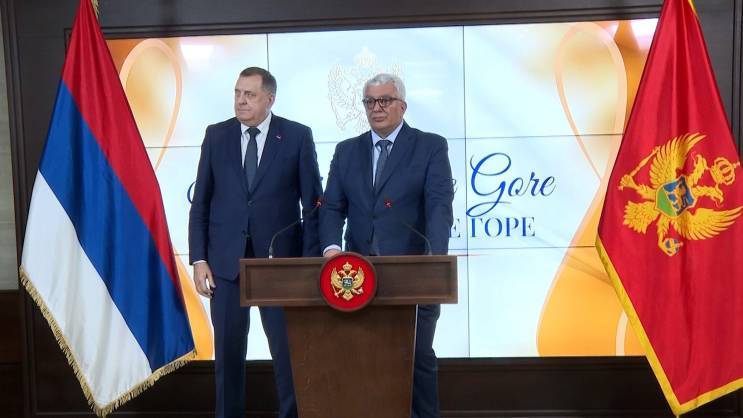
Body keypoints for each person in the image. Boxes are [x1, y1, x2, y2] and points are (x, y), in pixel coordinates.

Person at [189, 67, 323, 418]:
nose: (240, 101)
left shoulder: (296, 136)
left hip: (280, 267)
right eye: (237, 93)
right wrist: (199, 259)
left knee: (288, 354)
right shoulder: (216, 136)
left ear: (269, 99)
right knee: (227, 354)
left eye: (249, 94)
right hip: (225, 265)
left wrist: (308, 265)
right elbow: (201, 202)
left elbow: (313, 206)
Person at [320, 73, 454, 418]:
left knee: (417, 358)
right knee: (362, 359)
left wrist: (434, 261)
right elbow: (332, 207)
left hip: (414, 275)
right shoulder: (346, 151)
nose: (376, 108)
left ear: (402, 106)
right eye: (370, 101)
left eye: (384, 100)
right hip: (355, 277)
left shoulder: (430, 146)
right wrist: (331, 249)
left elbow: (439, 206)